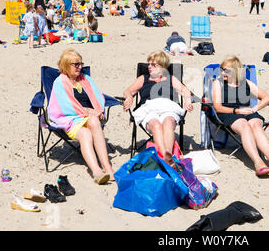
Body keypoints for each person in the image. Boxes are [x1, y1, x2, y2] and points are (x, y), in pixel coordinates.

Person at [48, 49, 115, 184]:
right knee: (85, 134)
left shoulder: (86, 79)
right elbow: (65, 107)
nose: (80, 67)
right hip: (69, 119)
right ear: (66, 65)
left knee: (94, 120)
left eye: (81, 63)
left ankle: (107, 167)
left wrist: (98, 110)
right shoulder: (59, 82)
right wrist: (88, 111)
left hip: (89, 117)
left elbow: (98, 97)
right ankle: (96, 171)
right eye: (76, 64)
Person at [211, 55, 269, 177]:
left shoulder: (245, 83)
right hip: (229, 113)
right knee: (245, 126)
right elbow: (217, 107)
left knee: (256, 125)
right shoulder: (217, 83)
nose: (222, 72)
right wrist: (237, 111)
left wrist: (255, 108)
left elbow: (267, 98)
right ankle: (259, 163)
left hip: (248, 112)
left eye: (226, 70)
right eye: (221, 69)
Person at [122, 51, 194, 166]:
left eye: (153, 65)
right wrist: (129, 97)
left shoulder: (170, 78)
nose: (149, 67)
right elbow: (128, 91)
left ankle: (168, 155)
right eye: (149, 64)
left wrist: (188, 100)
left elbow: (185, 91)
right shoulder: (143, 78)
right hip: (148, 108)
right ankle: (166, 156)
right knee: (156, 125)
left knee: (168, 122)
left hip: (168, 107)